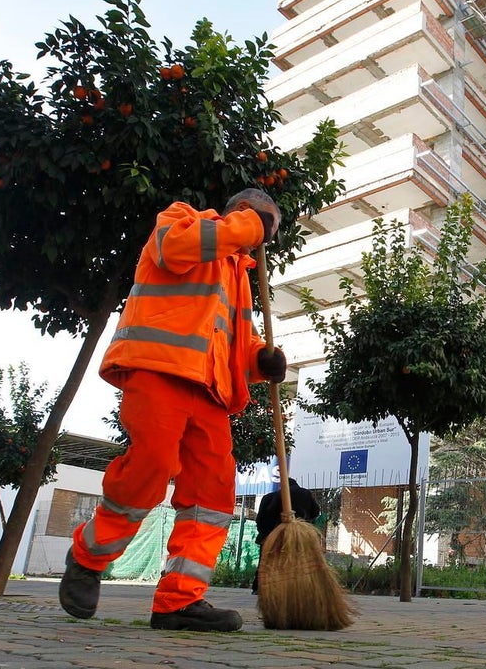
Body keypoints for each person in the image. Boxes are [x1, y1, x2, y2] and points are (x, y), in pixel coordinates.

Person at [59, 188, 287, 632]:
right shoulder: (181, 219)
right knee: (153, 464)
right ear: (244, 214)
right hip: (158, 371)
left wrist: (261, 359)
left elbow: (233, 342)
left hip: (210, 392)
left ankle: (179, 601)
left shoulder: (238, 276)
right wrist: (247, 224)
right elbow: (173, 250)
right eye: (264, 228)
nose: (262, 241)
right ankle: (88, 558)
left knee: (212, 499)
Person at [251, 477, 320, 594]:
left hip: (277, 533)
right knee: (299, 560)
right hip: (300, 534)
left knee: (268, 561)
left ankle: (259, 587)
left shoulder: (275, 495)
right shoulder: (306, 493)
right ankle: (299, 587)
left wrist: (265, 533)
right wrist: (303, 521)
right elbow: (316, 512)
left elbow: (268, 513)